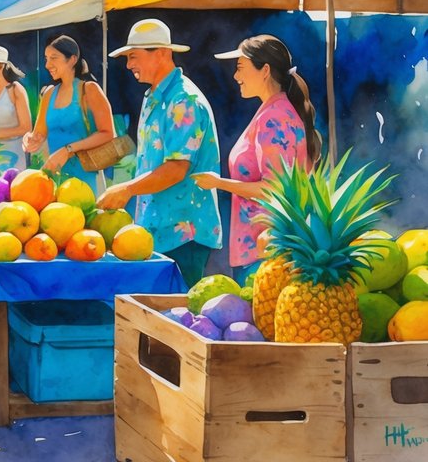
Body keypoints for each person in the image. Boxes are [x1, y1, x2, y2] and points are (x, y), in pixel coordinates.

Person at [97, 19, 221, 287]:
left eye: (133, 56)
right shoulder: (154, 96)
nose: (128, 65)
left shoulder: (184, 100)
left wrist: (127, 189)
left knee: (177, 310)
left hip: (183, 233)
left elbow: (176, 169)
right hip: (155, 229)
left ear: (162, 53)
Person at [193, 35, 320, 282]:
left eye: (240, 67)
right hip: (261, 249)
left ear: (265, 70)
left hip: (267, 252)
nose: (235, 76)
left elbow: (274, 189)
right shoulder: (273, 111)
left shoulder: (275, 118)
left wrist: (218, 183)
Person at [22, 36, 116, 192]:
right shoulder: (49, 94)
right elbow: (38, 134)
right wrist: (29, 139)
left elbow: (108, 133)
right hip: (55, 180)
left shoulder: (89, 89)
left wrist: (68, 150)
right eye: (46, 59)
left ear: (72, 59)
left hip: (86, 181)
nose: (47, 65)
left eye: (54, 58)